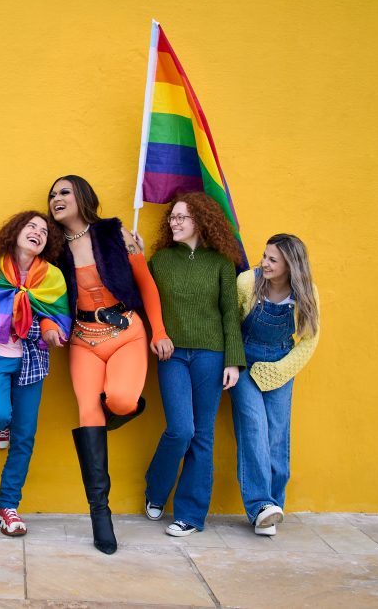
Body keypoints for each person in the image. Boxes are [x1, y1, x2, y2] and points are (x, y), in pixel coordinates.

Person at [48, 175, 173, 555]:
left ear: (83, 196)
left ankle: (124, 406)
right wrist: (49, 323)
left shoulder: (116, 234)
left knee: (119, 400)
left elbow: (146, 284)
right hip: (83, 341)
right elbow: (45, 298)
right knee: (88, 413)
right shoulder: (53, 248)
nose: (56, 198)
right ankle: (100, 514)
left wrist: (158, 332)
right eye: (52, 195)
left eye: (64, 192)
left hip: (127, 332)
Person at [0, 211, 71, 536]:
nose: (37, 232)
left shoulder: (52, 277)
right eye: (31, 226)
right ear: (16, 230)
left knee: (24, 439)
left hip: (32, 361)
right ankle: (0, 427)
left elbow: (58, 314)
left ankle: (7, 506)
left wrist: (50, 330)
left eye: (44, 231)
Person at [143, 191, 245, 538]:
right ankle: (156, 488)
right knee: (181, 430)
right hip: (172, 355)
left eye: (182, 217)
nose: (174, 221)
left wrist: (233, 360)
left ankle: (190, 515)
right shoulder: (160, 260)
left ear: (201, 221)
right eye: (172, 216)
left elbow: (231, 314)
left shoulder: (220, 263)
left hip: (211, 355)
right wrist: (134, 256)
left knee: (203, 435)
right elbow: (146, 303)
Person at [229, 234, 320, 536]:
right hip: (244, 360)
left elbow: (309, 341)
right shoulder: (247, 283)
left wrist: (280, 371)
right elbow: (230, 324)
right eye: (264, 256)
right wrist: (233, 361)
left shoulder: (306, 294)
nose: (264, 263)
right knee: (254, 427)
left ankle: (274, 506)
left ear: (290, 266)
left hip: (281, 365)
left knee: (278, 435)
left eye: (273, 260)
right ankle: (260, 506)